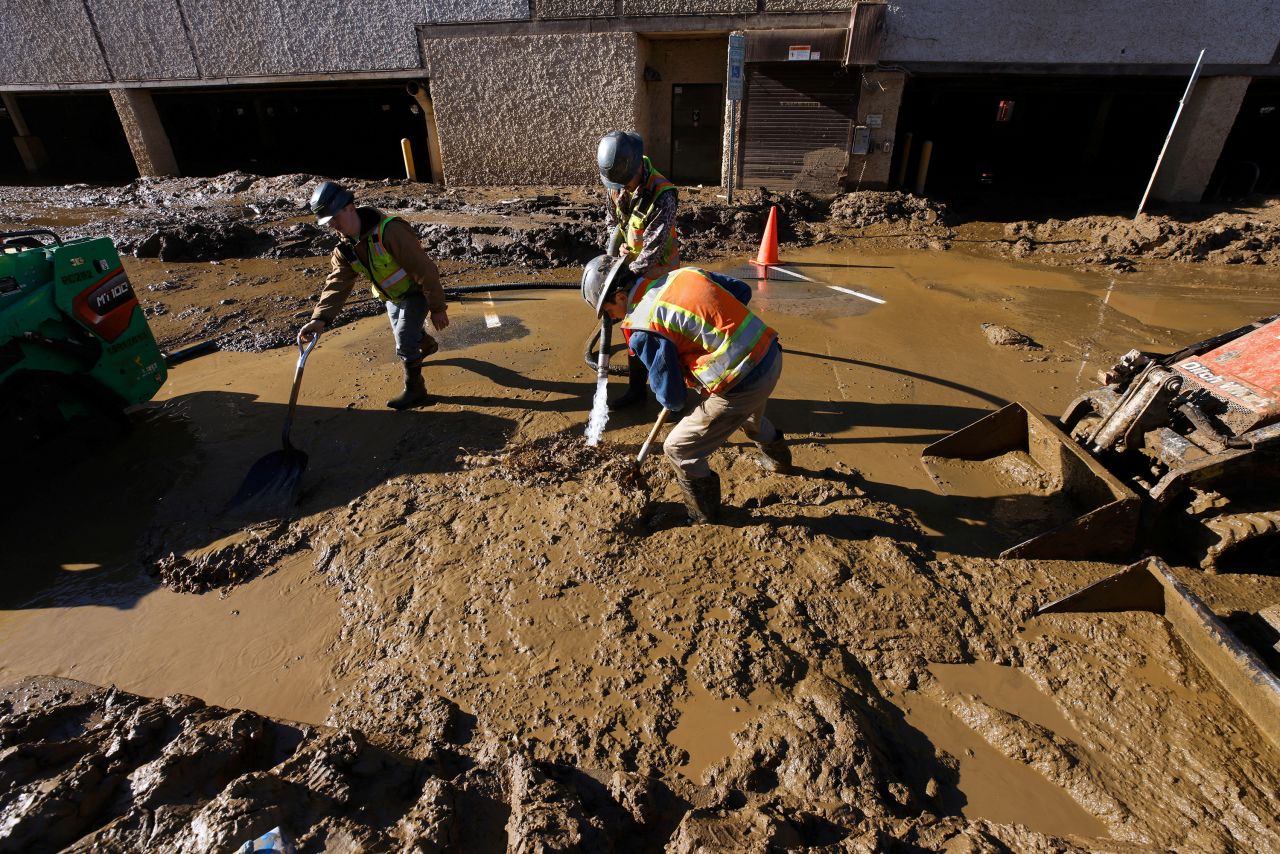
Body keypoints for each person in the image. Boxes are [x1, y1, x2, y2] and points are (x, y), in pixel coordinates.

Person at [581, 256, 791, 523]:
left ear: (621, 296)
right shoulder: (684, 275)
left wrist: (683, 363)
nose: (610, 319)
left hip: (742, 381)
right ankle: (779, 463)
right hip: (769, 353)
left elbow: (674, 399)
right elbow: (741, 292)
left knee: (679, 448)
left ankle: (703, 514)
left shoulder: (643, 327)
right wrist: (709, 336)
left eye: (607, 310)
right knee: (749, 417)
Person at [298, 181, 449, 410]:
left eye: (335, 218)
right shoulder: (345, 249)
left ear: (350, 207)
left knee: (404, 339)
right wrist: (319, 319)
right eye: (328, 222)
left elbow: (425, 270)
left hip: (415, 294)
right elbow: (338, 283)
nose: (333, 226)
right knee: (409, 333)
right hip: (390, 298)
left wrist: (438, 308)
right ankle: (425, 346)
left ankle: (415, 389)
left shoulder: (390, 231)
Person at [597, 131, 681, 410]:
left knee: (656, 335)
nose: (619, 189)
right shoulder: (616, 182)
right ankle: (636, 391)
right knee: (631, 330)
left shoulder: (662, 195)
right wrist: (618, 245)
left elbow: (653, 249)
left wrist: (625, 276)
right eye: (616, 184)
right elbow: (612, 223)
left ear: (637, 168)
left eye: (624, 183)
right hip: (630, 265)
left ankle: (670, 399)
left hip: (659, 273)